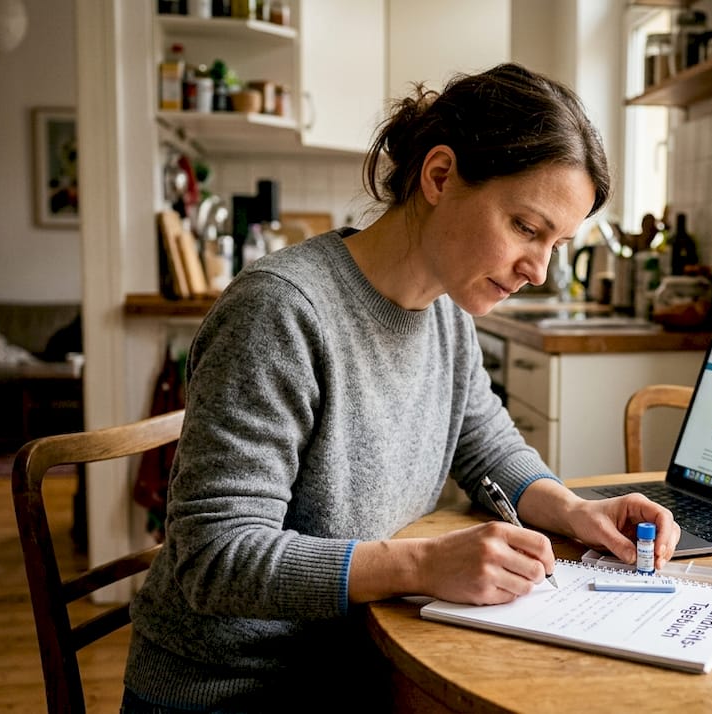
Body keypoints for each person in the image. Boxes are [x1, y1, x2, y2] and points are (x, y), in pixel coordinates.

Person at [121, 62, 680, 712]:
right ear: (439, 176)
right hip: (236, 690)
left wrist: (575, 511)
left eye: (556, 242)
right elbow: (214, 557)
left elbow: (489, 446)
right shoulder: (280, 312)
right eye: (526, 228)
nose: (538, 270)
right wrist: (421, 565)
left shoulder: (447, 307)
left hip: (359, 661)